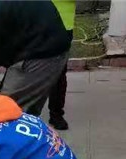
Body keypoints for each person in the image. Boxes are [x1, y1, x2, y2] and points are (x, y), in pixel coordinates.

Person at [49, 0, 76, 130]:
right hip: (32, 22)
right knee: (25, 68)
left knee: (58, 73)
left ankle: (56, 114)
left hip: (63, 25)